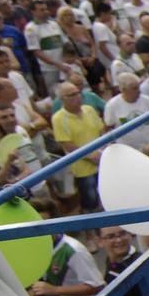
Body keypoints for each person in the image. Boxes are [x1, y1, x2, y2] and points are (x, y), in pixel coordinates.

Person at [50, 82, 104, 211]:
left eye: (78, 93)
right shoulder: (58, 118)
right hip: (82, 168)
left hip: (102, 160)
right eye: (72, 95)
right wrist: (91, 157)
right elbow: (67, 144)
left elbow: (101, 130)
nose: (77, 96)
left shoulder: (89, 110)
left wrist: (102, 153)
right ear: (62, 99)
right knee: (90, 201)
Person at [102, 73, 149, 149]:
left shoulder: (146, 100)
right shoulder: (112, 105)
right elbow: (108, 127)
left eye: (138, 87)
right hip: (129, 149)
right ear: (123, 90)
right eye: (134, 88)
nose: (139, 91)